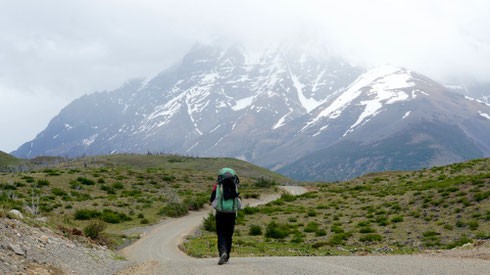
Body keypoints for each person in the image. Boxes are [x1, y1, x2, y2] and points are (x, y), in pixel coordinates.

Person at [209, 167, 241, 265]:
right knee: (229, 234)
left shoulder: (217, 186)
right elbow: (237, 200)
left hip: (220, 213)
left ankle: (223, 252)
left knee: (221, 233)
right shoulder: (234, 185)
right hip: (231, 213)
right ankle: (227, 256)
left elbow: (211, 199)